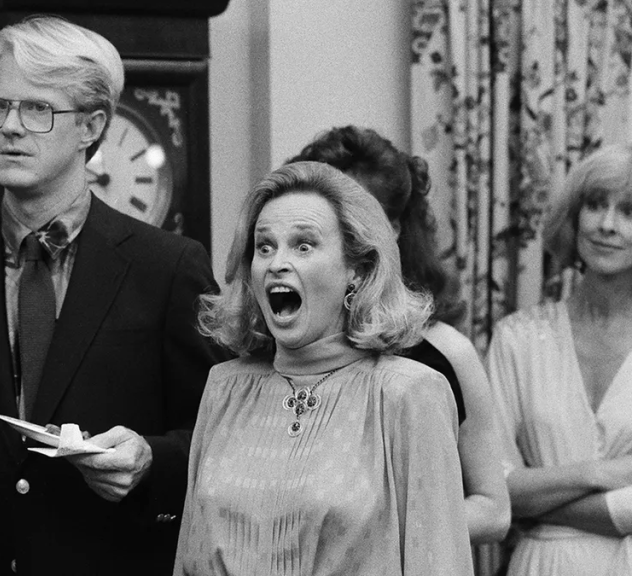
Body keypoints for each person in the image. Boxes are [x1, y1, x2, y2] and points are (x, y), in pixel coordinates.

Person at [0, 15, 225, 576]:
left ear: (91, 126)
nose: (9, 127)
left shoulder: (168, 267)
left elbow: (223, 430)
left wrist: (151, 458)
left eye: (37, 109)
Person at [175, 162, 473, 575]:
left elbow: (439, 562)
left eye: (303, 245)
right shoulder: (225, 387)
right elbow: (189, 559)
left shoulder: (408, 393)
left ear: (357, 270)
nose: (277, 263)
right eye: (265, 247)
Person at [290, 125, 511, 543]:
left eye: (354, 219)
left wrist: (372, 534)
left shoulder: (448, 352)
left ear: (393, 228)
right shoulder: (273, 346)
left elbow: (494, 510)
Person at [486, 144, 632, 574]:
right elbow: (493, 487)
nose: (607, 225)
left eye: (628, 212)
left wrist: (534, 499)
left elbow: (513, 496)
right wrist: (602, 473)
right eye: (595, 205)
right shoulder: (517, 339)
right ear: (573, 217)